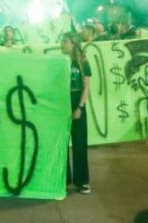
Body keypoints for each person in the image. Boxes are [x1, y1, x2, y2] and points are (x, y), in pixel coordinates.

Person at [61, 31, 91, 194]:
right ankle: (64, 179)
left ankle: (83, 181)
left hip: (77, 104)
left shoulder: (83, 62)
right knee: (62, 144)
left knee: (79, 144)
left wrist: (79, 107)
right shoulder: (59, 61)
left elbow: (86, 87)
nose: (62, 44)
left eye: (65, 41)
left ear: (73, 44)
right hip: (61, 106)